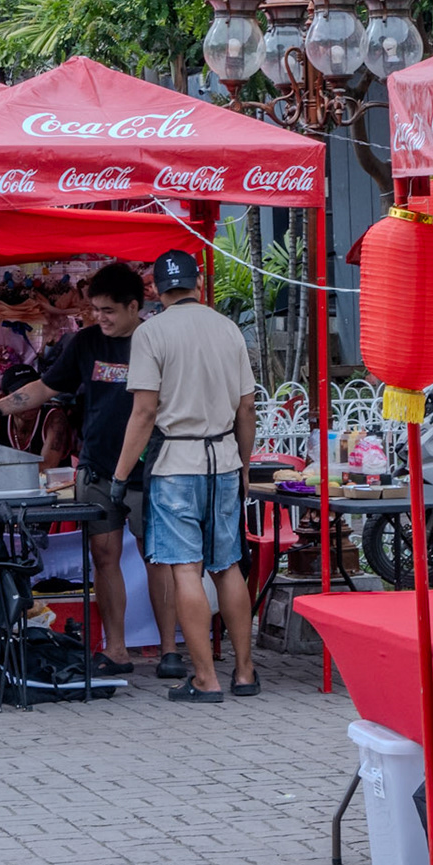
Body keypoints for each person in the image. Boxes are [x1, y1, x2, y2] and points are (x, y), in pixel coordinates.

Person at [0, 262, 163, 676]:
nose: (99, 317)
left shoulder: (157, 341)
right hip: (97, 467)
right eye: (95, 309)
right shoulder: (84, 343)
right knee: (103, 556)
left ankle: (169, 648)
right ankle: (116, 649)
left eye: (108, 311)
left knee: (159, 559)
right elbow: (45, 387)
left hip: (149, 468)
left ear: (135, 306)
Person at [112, 249, 258, 703]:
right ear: (199, 285)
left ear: (156, 289)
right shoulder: (227, 328)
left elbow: (144, 411)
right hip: (225, 461)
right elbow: (247, 407)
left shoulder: (151, 333)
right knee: (227, 565)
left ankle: (204, 679)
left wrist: (120, 477)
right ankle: (245, 673)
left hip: (176, 464)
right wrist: (245, 464)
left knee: (185, 569)